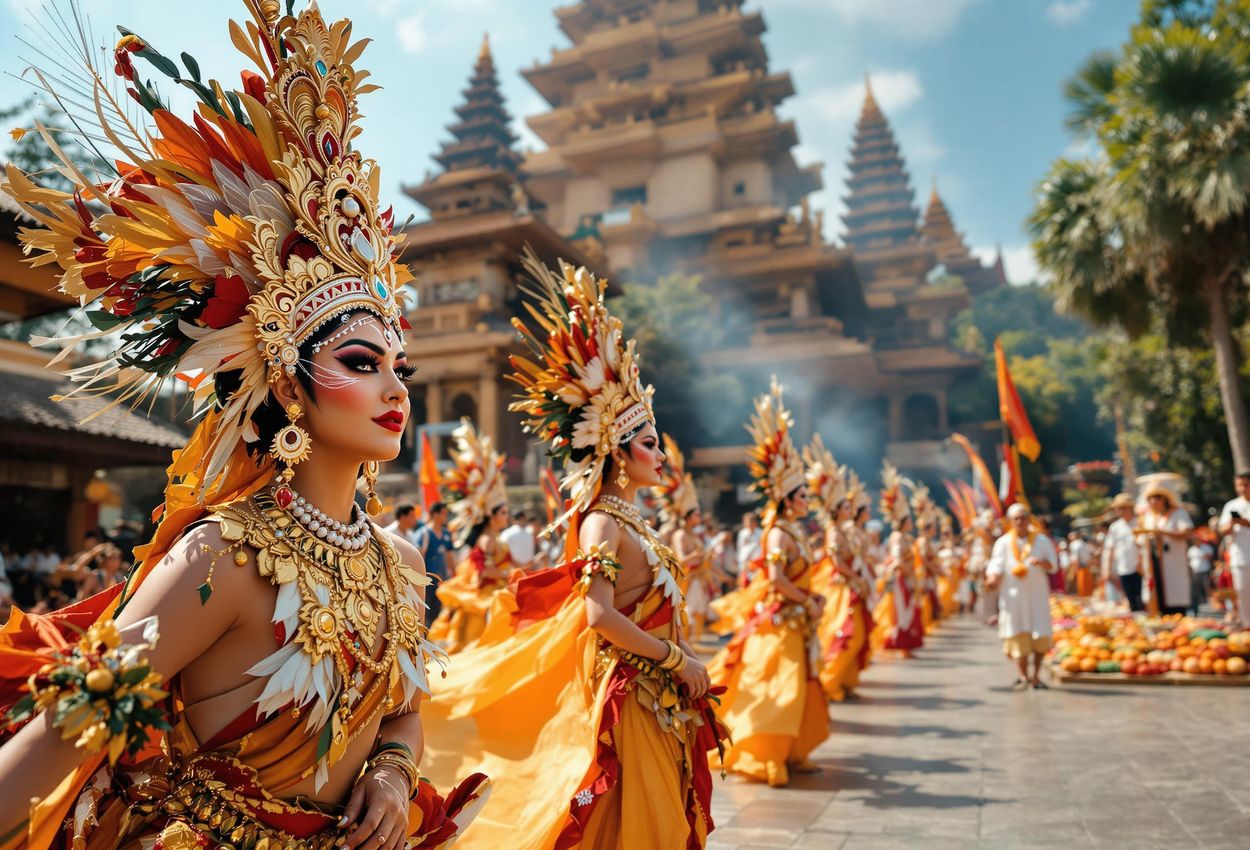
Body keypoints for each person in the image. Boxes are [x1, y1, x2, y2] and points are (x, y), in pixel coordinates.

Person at [0, 4, 489, 846]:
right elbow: (66, 732)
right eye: (361, 363)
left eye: (398, 368)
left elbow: (404, 714)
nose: (395, 389)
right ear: (288, 385)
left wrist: (391, 772)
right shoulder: (218, 560)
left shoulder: (403, 564)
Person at [419, 256, 725, 848]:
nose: (662, 455)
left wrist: (685, 659)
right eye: (650, 443)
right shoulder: (602, 523)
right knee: (636, 820)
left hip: (657, 689)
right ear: (617, 451)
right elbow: (599, 614)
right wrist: (673, 659)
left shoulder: (632, 520)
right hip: (629, 694)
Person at [709, 379, 829, 788]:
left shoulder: (796, 532)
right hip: (780, 621)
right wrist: (806, 600)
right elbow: (776, 578)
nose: (807, 501)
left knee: (802, 686)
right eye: (802, 496)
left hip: (799, 619)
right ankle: (766, 756)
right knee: (780, 689)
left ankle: (793, 751)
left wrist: (812, 598)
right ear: (787, 499)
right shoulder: (778, 533)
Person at [427, 421, 512, 654]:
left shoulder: (494, 538)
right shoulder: (487, 540)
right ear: (491, 515)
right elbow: (484, 572)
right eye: (503, 512)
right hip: (486, 599)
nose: (507, 516)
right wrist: (508, 575)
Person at [805, 436, 873, 702]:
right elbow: (835, 562)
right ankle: (831, 681)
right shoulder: (833, 532)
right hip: (841, 589)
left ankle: (845, 680)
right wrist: (856, 577)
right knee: (846, 634)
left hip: (850, 585)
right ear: (836, 510)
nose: (850, 509)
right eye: (846, 506)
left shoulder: (844, 531)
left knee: (857, 634)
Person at [985, 503, 1058, 690]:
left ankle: (1036, 676)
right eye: (1016, 518)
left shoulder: (1042, 540)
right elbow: (996, 565)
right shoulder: (1003, 542)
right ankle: (1023, 675)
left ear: (1029, 519)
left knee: (1040, 638)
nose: (1020, 522)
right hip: (1013, 598)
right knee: (1017, 637)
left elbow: (1054, 566)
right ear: (1010, 521)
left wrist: (1042, 563)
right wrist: (992, 579)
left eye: (1023, 518)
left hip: (1037, 597)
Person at [871, 464, 925, 655]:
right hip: (901, 578)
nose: (911, 523)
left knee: (908, 609)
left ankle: (906, 646)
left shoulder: (905, 537)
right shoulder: (897, 537)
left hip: (907, 577)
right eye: (908, 520)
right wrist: (909, 573)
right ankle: (900, 643)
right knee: (902, 611)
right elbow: (897, 558)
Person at [1137, 485, 1193, 616]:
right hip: (1154, 564)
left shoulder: (1178, 513)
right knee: (1157, 599)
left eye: (1157, 498)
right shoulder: (1149, 517)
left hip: (1173, 563)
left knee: (1175, 599)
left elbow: (1186, 533)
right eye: (1150, 499)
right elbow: (1140, 541)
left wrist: (1162, 532)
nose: (1153, 502)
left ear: (1165, 499)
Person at [1218, 472, 1250, 627]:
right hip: (1240, 559)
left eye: (1246, 485)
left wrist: (1245, 522)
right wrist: (1232, 523)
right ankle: (1246, 627)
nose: (1242, 488)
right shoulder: (1231, 505)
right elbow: (1222, 530)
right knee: (1243, 595)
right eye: (1239, 485)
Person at [412, 502, 452, 622]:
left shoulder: (446, 533)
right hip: (428, 579)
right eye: (443, 514)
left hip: (442, 578)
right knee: (428, 610)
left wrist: (453, 573)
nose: (446, 517)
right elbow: (419, 556)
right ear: (435, 514)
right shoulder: (424, 533)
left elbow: (449, 555)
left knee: (440, 609)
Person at [1103, 493, 1143, 611]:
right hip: (1123, 568)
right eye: (1118, 509)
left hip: (1139, 568)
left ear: (1130, 508)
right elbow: (1110, 549)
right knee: (1130, 599)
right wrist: (1108, 569)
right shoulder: (1115, 527)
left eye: (1123, 508)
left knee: (1141, 600)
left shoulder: (1140, 523)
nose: (1120, 511)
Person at [736, 511, 762, 584]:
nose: (749, 523)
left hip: (757, 564)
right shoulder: (742, 533)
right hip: (745, 565)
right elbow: (740, 550)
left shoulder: (761, 533)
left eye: (751, 521)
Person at [1068, 532, 1094, 597]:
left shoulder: (1075, 544)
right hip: (1086, 568)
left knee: (1081, 591)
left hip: (1079, 568)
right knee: (1087, 592)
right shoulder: (1083, 543)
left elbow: (1075, 559)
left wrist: (1074, 572)